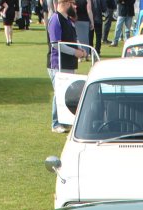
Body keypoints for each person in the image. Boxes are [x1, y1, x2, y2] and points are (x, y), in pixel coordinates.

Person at [47, 0, 86, 131]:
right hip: (57, 63)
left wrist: (82, 49)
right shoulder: (55, 19)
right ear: (65, 3)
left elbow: (75, 39)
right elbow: (55, 44)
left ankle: (64, 120)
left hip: (69, 63)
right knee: (59, 92)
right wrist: (76, 52)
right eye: (73, 3)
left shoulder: (68, 20)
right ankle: (55, 123)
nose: (75, 6)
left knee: (67, 93)